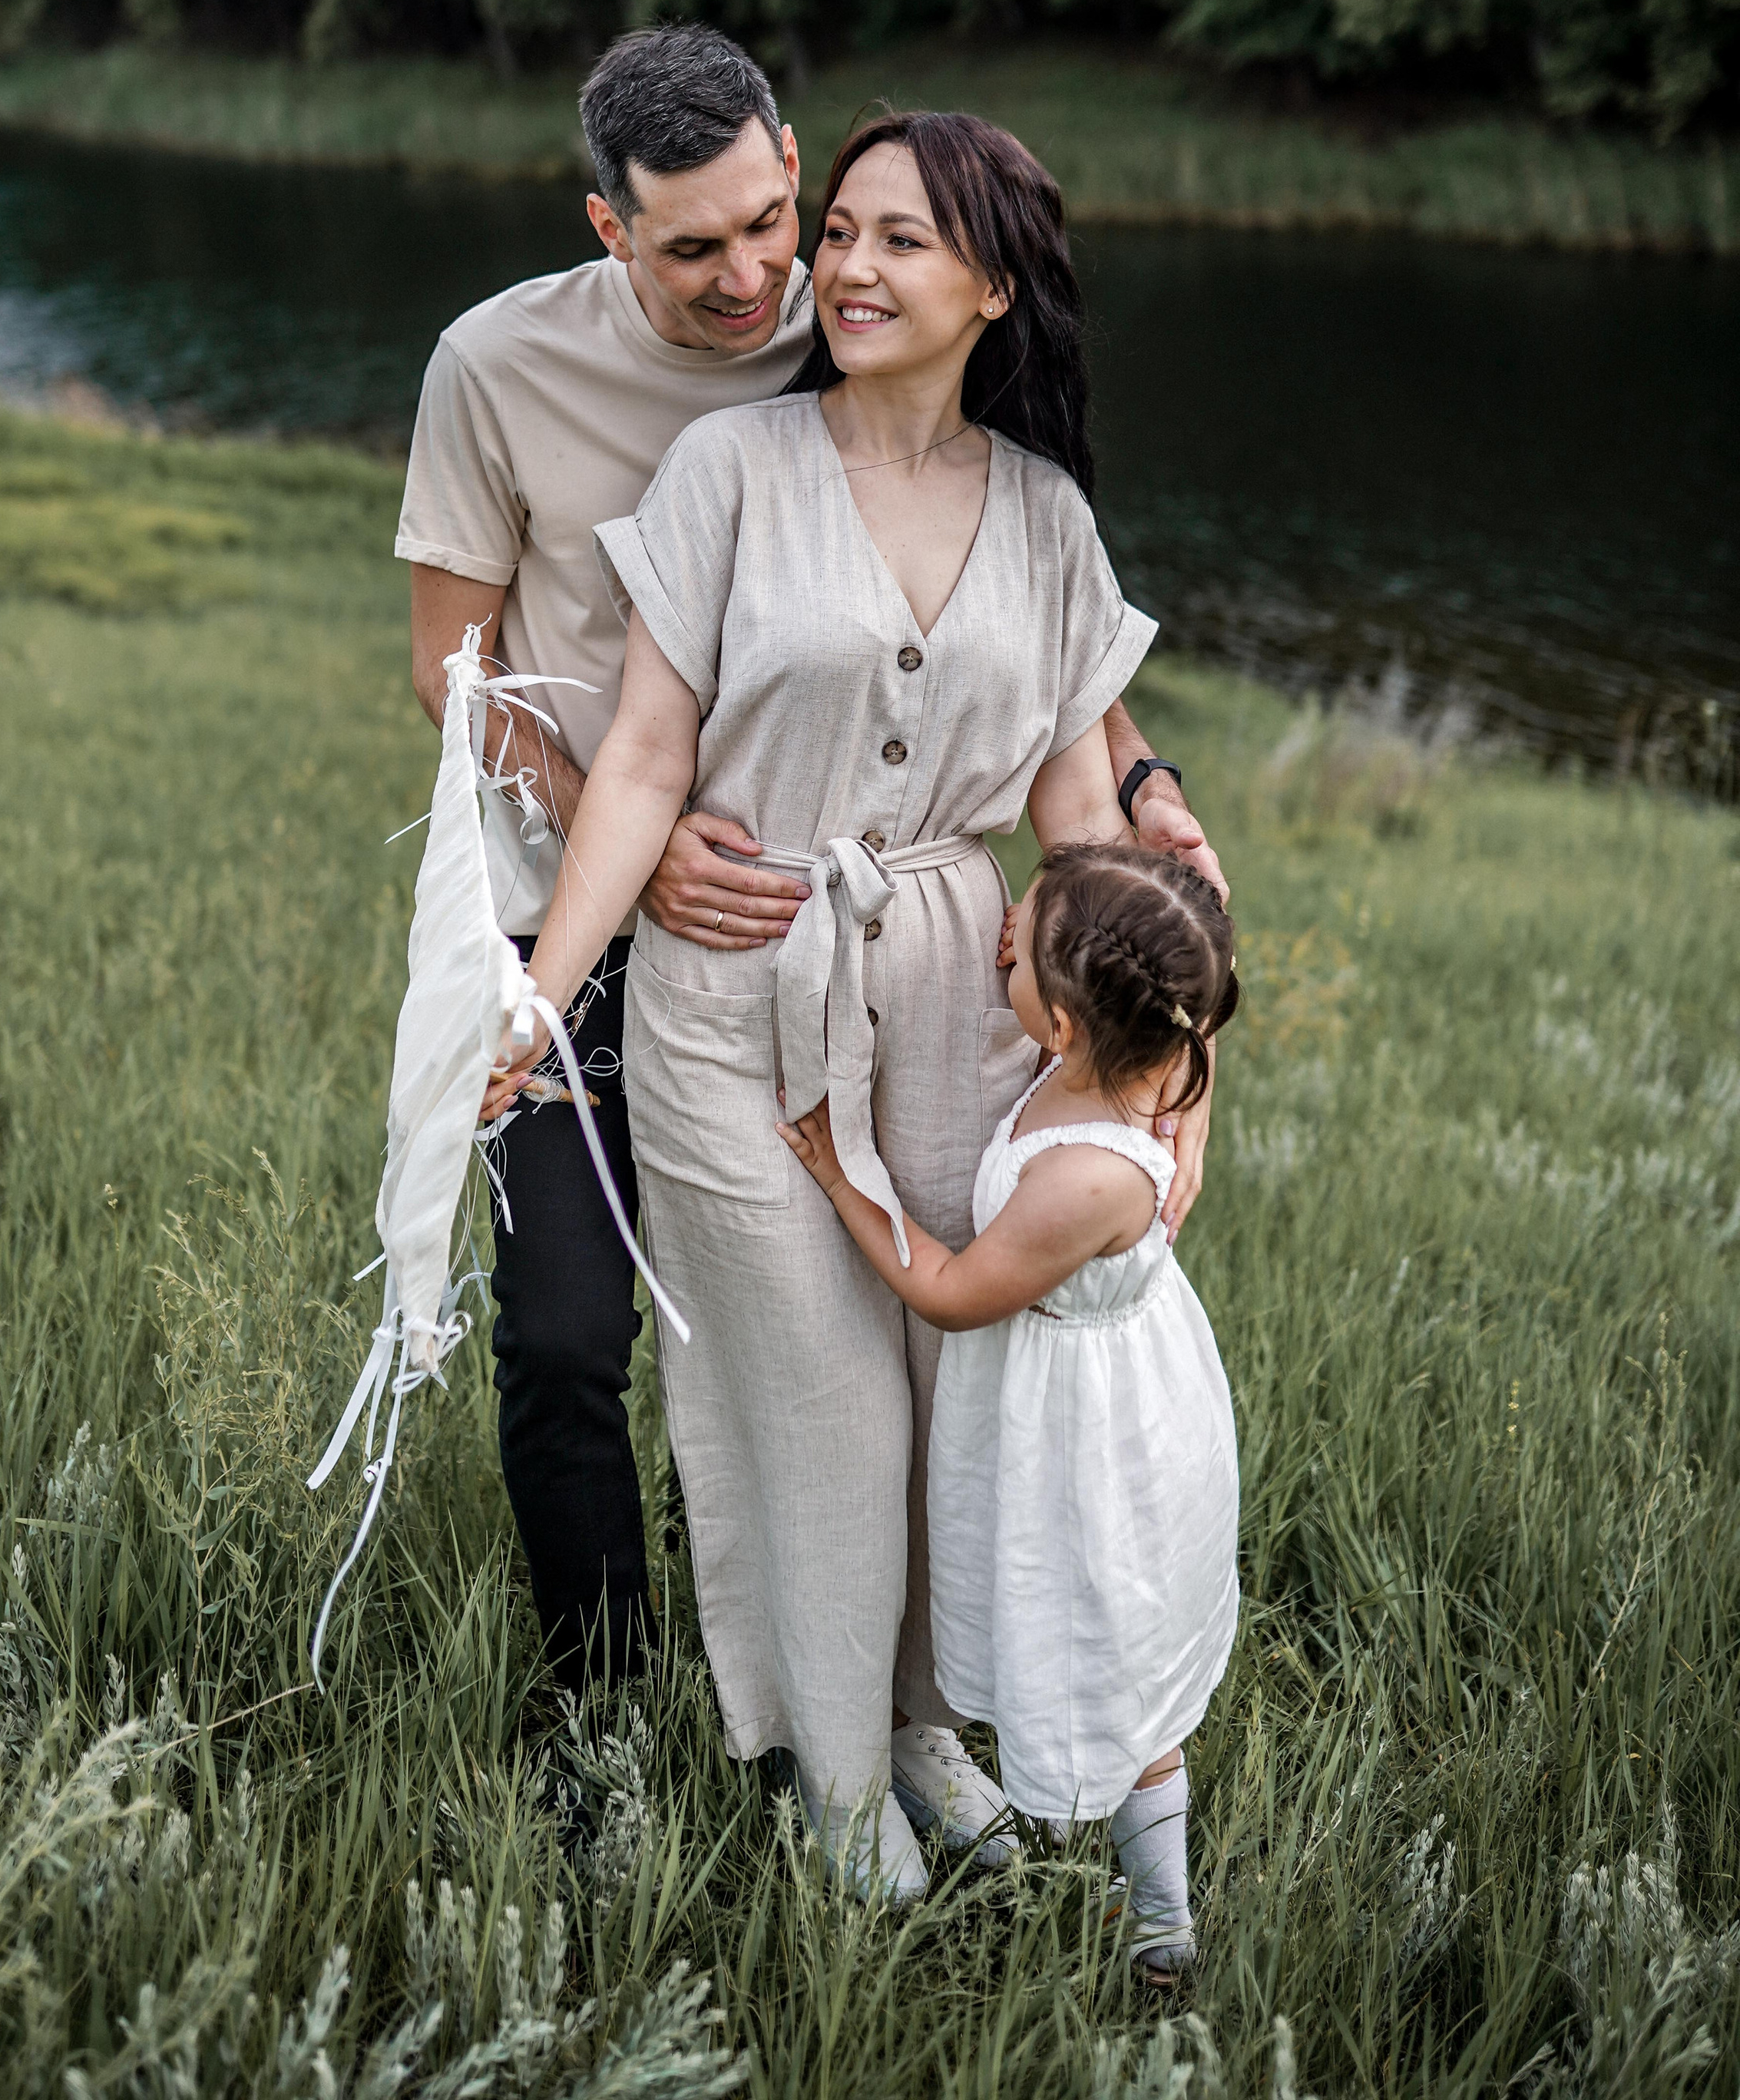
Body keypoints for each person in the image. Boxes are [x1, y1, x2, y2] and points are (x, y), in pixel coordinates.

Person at [481, 106, 1219, 1893]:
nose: (848, 266)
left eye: (902, 240)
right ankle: (829, 1784)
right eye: (843, 232)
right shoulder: (728, 472)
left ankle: (914, 1728)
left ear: (990, 288)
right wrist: (536, 1004)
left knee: (941, 1386)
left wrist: (1164, 1075)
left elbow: (1072, 829)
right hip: (733, 1005)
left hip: (957, 1007)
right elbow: (640, 762)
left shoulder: (1042, 518)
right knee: (826, 1406)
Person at [779, 840, 1240, 1976]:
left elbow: (950, 1289)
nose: (1000, 937)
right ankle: (1150, 1904)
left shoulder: (1088, 1176)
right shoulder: (1134, 1054)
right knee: (1105, 1647)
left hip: (1094, 1449)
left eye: (1018, 940)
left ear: (1065, 1025)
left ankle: (1163, 1925)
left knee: (1117, 1660)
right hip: (1093, 1397)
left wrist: (842, 1173)